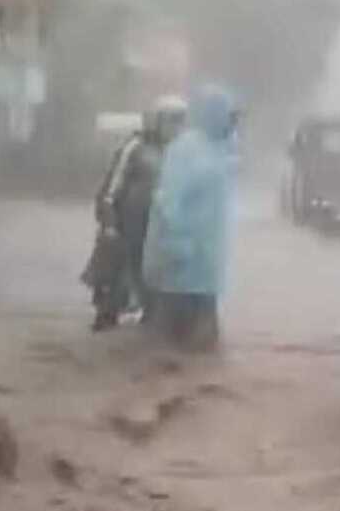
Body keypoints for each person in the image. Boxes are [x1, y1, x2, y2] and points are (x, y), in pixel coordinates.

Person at [143, 85, 239, 351]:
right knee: (170, 347)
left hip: (208, 273)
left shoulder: (224, 148)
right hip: (181, 270)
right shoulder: (185, 150)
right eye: (230, 116)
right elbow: (167, 200)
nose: (234, 123)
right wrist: (175, 244)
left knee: (205, 350)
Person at [82, 97, 187, 331]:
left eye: (181, 120)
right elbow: (111, 189)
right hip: (126, 228)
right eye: (171, 120)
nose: (176, 126)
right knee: (114, 286)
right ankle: (107, 324)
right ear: (156, 120)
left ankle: (148, 327)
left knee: (153, 292)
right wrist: (109, 223)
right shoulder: (135, 147)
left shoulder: (181, 153)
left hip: (158, 232)